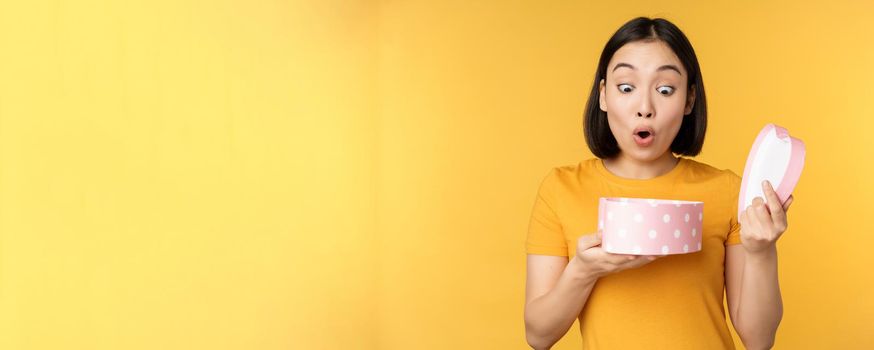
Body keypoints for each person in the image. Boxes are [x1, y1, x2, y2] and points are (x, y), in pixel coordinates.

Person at [523, 17, 794, 350]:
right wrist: (583, 270)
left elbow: (759, 340)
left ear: (689, 100)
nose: (645, 108)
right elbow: (538, 336)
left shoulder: (726, 191)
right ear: (604, 95)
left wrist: (761, 251)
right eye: (626, 87)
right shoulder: (561, 189)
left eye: (665, 89)